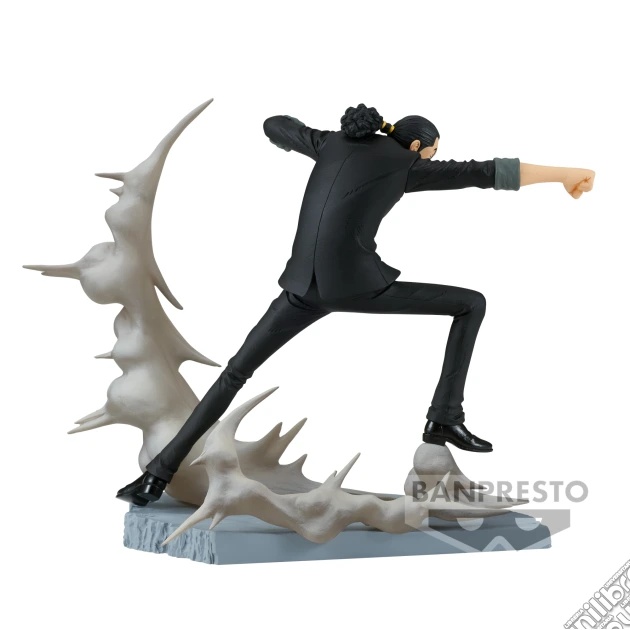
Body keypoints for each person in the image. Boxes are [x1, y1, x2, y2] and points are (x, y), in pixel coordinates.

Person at [117, 103, 595, 505]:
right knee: (471, 304)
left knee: (235, 374)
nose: (432, 159)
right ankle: (444, 419)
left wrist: (314, 135)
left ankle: (155, 477)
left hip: (301, 288)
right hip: (357, 286)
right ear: (417, 146)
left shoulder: (330, 143)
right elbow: (487, 172)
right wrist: (565, 175)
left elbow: (274, 124)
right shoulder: (407, 164)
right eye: (432, 152)